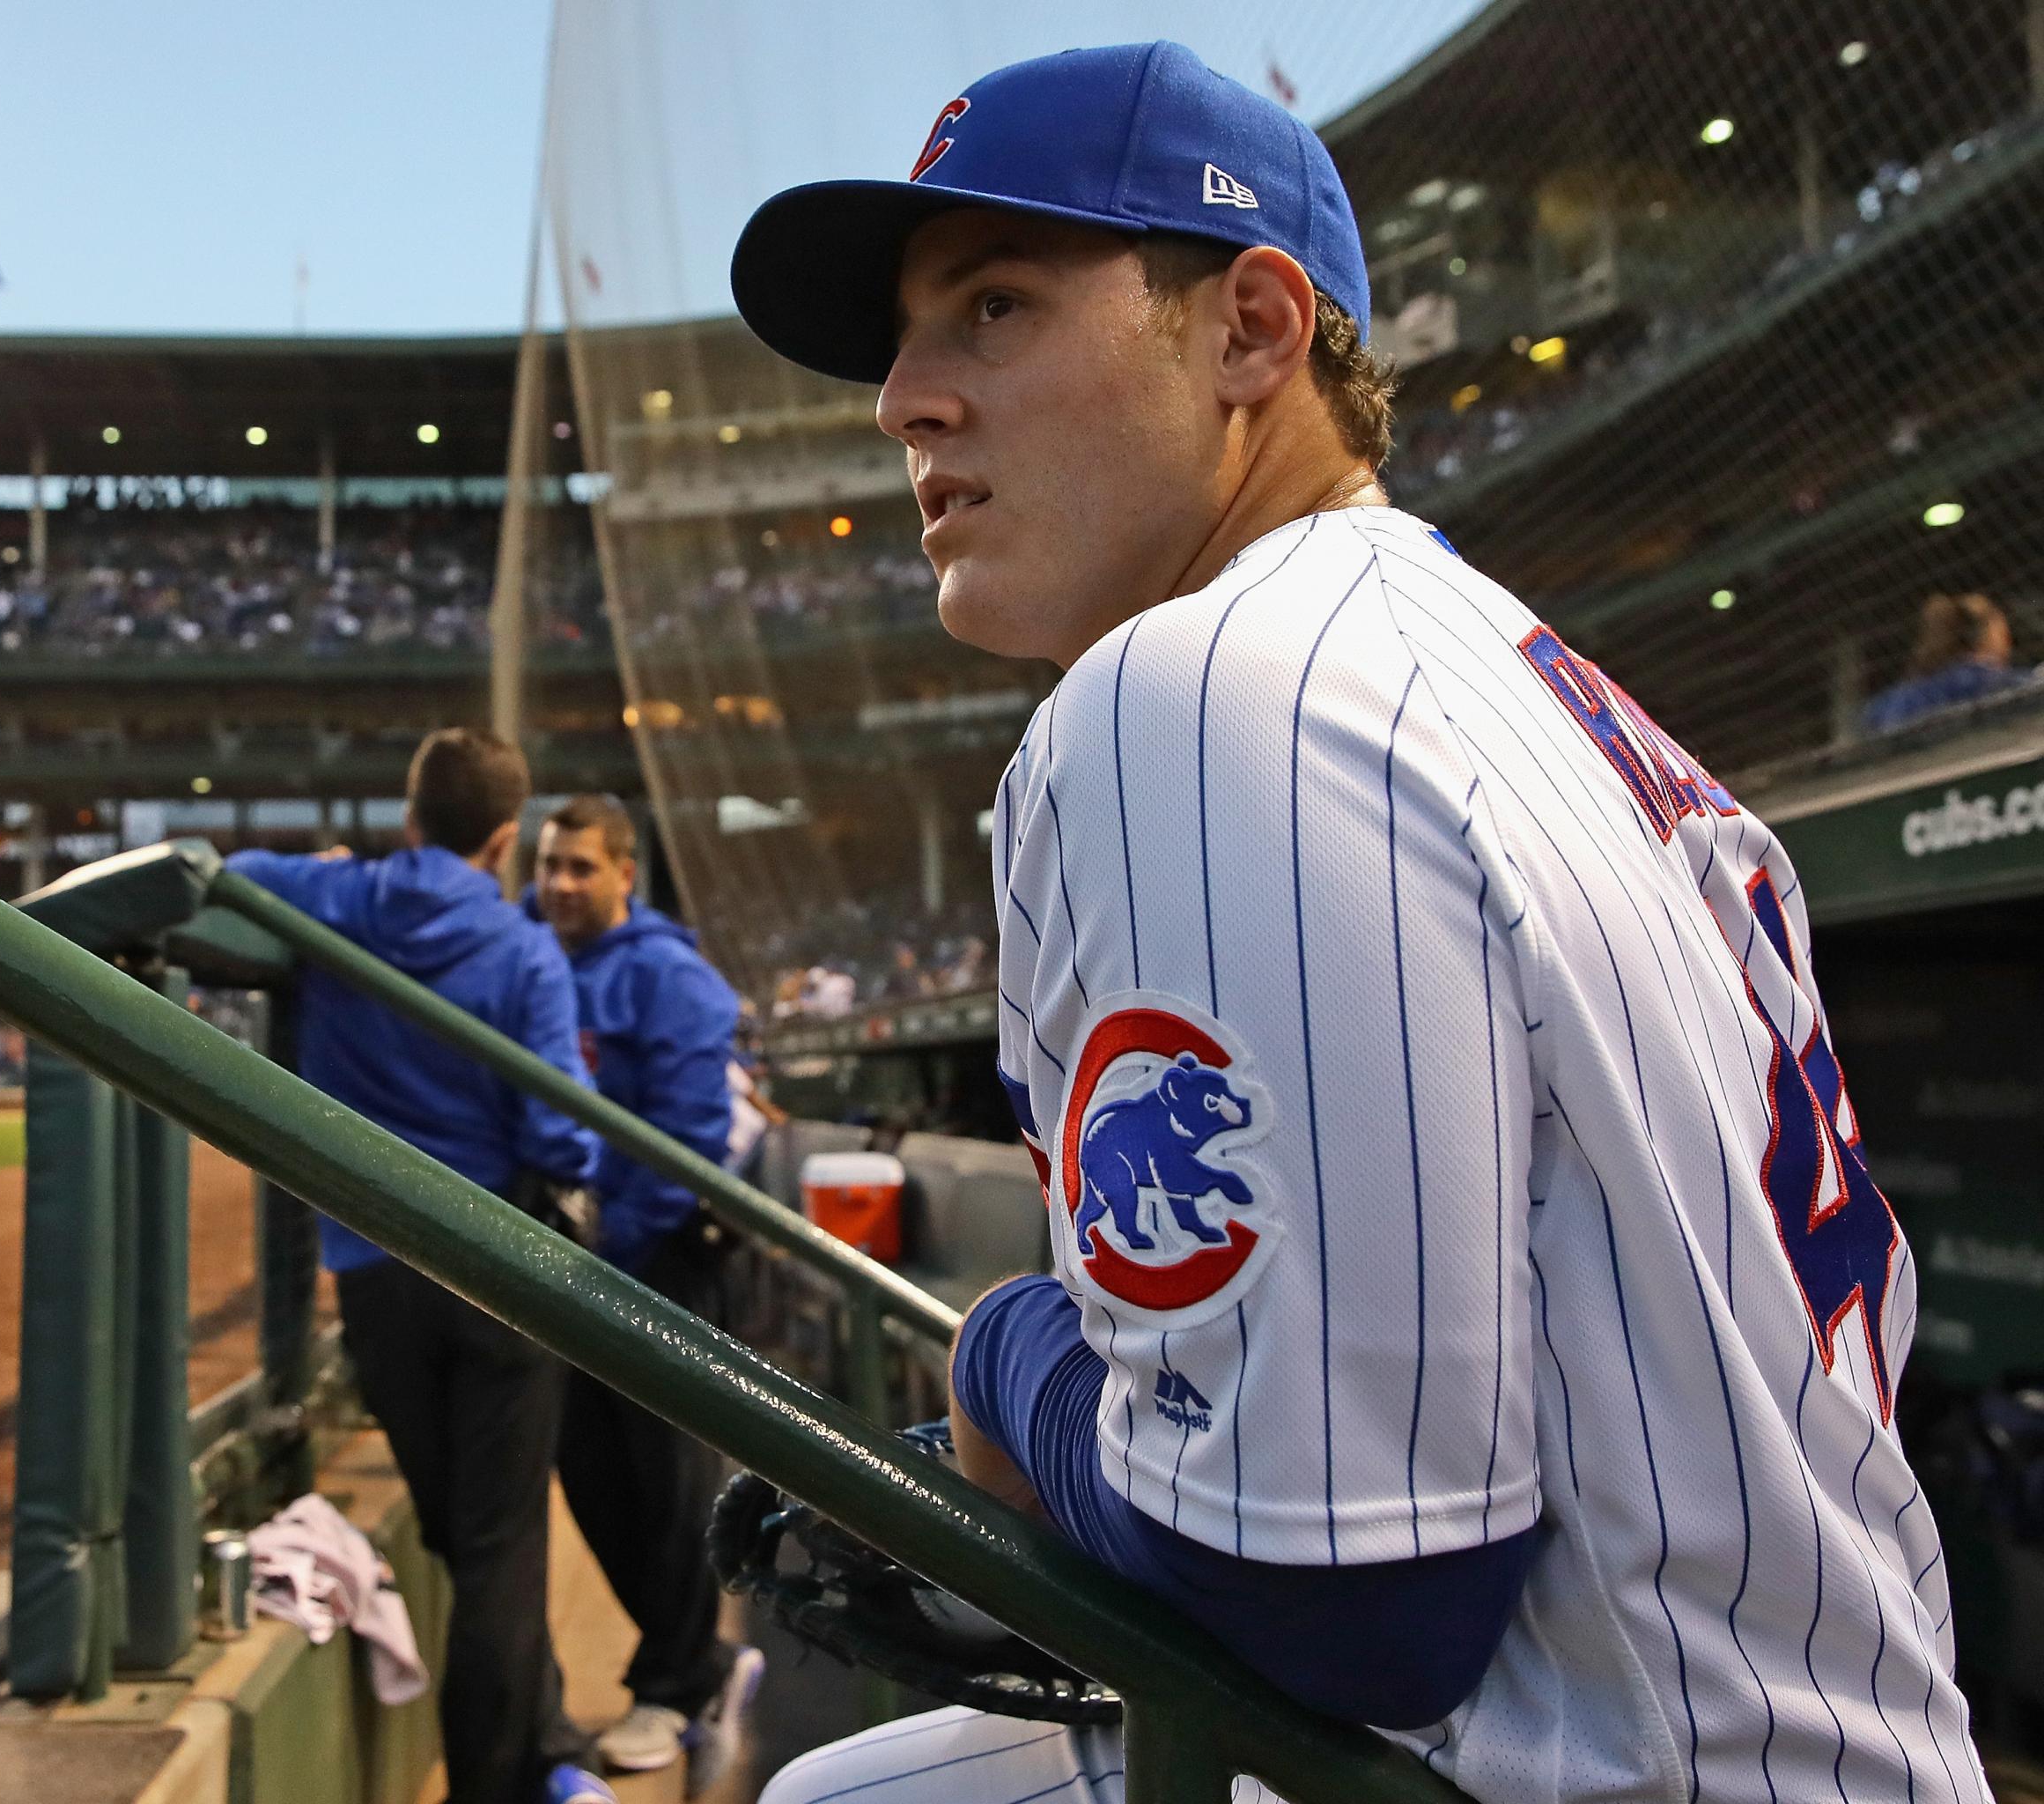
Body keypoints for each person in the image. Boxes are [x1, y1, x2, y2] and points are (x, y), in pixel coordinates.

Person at [729, 41, 1981, 1802]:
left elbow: (1340, 1599)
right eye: (906, 343)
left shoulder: (1211, 686)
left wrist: (1008, 1360)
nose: (905, 400)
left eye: (992, 308)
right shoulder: (1522, 684)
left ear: (1252, 330)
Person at [229, 728, 615, 1804]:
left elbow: (239, 874)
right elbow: (559, 1132)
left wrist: (338, 878)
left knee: (463, 1531)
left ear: (408, 820)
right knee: (493, 1542)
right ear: (503, 839)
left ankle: (539, 1739)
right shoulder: (525, 946)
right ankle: (506, 1778)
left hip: (373, 1271)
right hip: (493, 1264)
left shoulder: (335, 899)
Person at [526, 795, 764, 1793]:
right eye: (548, 864)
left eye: (581, 865)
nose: (561, 883)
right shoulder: (535, 958)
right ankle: (697, 1662)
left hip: (655, 1253)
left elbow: (689, 1138)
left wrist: (608, 1234)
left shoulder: (668, 973)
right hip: (572, 1262)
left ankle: (676, 1677)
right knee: (588, 1465)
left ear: (626, 872)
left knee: (664, 1475)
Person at [1864, 589, 2031, 734]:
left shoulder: (1894, 700)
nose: (2009, 643)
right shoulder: (1990, 682)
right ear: (1989, 637)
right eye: (2004, 634)